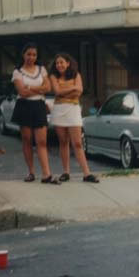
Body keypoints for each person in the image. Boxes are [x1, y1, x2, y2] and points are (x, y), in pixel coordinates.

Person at [11, 43, 59, 184]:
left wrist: (30, 87)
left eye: (34, 55)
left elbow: (48, 87)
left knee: (42, 141)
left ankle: (46, 174)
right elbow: (22, 92)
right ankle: (31, 172)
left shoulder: (41, 69)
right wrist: (39, 89)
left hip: (39, 106)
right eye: (29, 54)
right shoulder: (17, 72)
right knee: (27, 139)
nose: (31, 57)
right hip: (24, 106)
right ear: (23, 55)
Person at [48, 53, 99, 183]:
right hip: (59, 110)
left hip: (73, 109)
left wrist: (65, 91)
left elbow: (79, 91)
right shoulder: (53, 76)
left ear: (68, 63)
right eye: (57, 63)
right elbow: (57, 91)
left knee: (77, 143)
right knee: (63, 142)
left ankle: (87, 173)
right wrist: (72, 88)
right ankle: (66, 172)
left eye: (61, 62)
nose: (59, 65)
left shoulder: (76, 75)